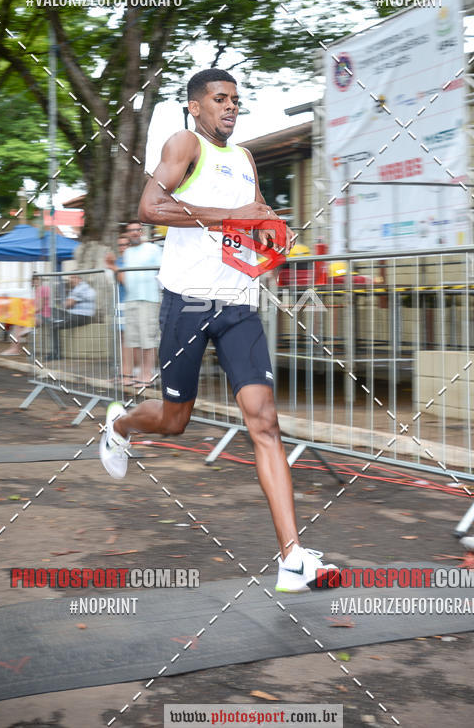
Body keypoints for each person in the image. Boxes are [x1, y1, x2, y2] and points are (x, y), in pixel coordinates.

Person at [99, 68, 336, 592]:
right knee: (175, 420)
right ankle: (120, 426)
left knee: (264, 421)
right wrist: (232, 215)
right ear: (195, 107)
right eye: (220, 99)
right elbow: (150, 207)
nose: (230, 107)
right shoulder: (184, 143)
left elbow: (247, 222)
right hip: (184, 306)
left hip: (238, 307)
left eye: (235, 100)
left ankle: (293, 558)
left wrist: (268, 231)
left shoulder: (245, 157)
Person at [107, 223, 161, 386]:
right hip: (131, 300)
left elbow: (161, 271)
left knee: (148, 340)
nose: (135, 233)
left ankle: (147, 376)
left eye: (137, 230)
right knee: (135, 340)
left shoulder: (153, 249)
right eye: (131, 231)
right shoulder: (128, 253)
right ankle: (139, 375)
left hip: (149, 299)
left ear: (141, 232)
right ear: (128, 234)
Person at [46, 273, 96, 361]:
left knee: (54, 325)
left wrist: (70, 302)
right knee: (50, 310)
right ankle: (55, 320)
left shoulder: (81, 287)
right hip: (73, 315)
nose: (71, 280)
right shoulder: (77, 289)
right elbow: (67, 304)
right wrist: (69, 302)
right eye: (70, 278)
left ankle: (56, 354)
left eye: (73, 277)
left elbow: (68, 304)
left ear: (80, 279)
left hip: (80, 316)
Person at [105, 234, 131, 384]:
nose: (122, 248)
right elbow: (109, 281)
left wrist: (113, 267)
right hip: (119, 302)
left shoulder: (130, 261)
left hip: (130, 303)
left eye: (125, 244)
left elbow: (126, 281)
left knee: (128, 340)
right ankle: (122, 373)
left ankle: (127, 374)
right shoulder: (118, 261)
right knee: (121, 340)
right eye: (120, 245)